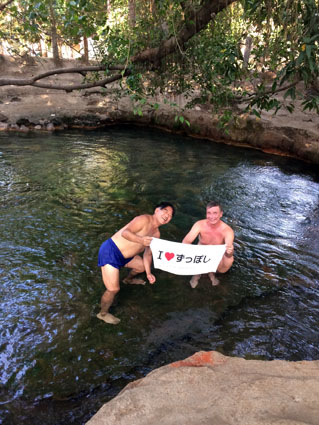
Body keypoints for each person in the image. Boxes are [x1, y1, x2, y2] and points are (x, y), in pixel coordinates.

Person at [97, 202, 175, 324]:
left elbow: (147, 254)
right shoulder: (143, 219)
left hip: (126, 257)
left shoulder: (156, 234)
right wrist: (141, 240)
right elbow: (125, 233)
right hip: (111, 251)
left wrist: (149, 273)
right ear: (156, 210)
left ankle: (127, 279)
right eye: (165, 211)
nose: (167, 215)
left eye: (170, 215)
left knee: (142, 267)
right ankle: (102, 313)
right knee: (113, 289)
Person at [182, 201, 234, 288]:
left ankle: (211, 273)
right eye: (209, 213)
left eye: (215, 213)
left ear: (221, 214)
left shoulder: (227, 230)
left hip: (216, 255)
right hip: (200, 252)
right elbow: (186, 242)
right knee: (185, 248)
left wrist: (230, 251)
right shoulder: (200, 224)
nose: (212, 217)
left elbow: (229, 251)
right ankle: (196, 274)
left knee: (230, 258)